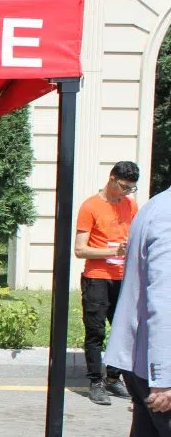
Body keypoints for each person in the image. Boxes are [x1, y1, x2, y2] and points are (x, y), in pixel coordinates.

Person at [105, 186, 171, 437]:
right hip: (158, 366)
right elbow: (164, 299)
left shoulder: (155, 206)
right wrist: (165, 376)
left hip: (142, 361)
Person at [74, 161, 140, 406]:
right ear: (112, 179)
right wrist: (113, 250)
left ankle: (113, 377)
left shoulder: (130, 205)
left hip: (124, 278)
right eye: (124, 187)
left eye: (131, 188)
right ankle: (96, 382)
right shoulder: (90, 206)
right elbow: (80, 250)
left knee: (123, 329)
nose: (127, 192)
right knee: (96, 331)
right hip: (97, 277)